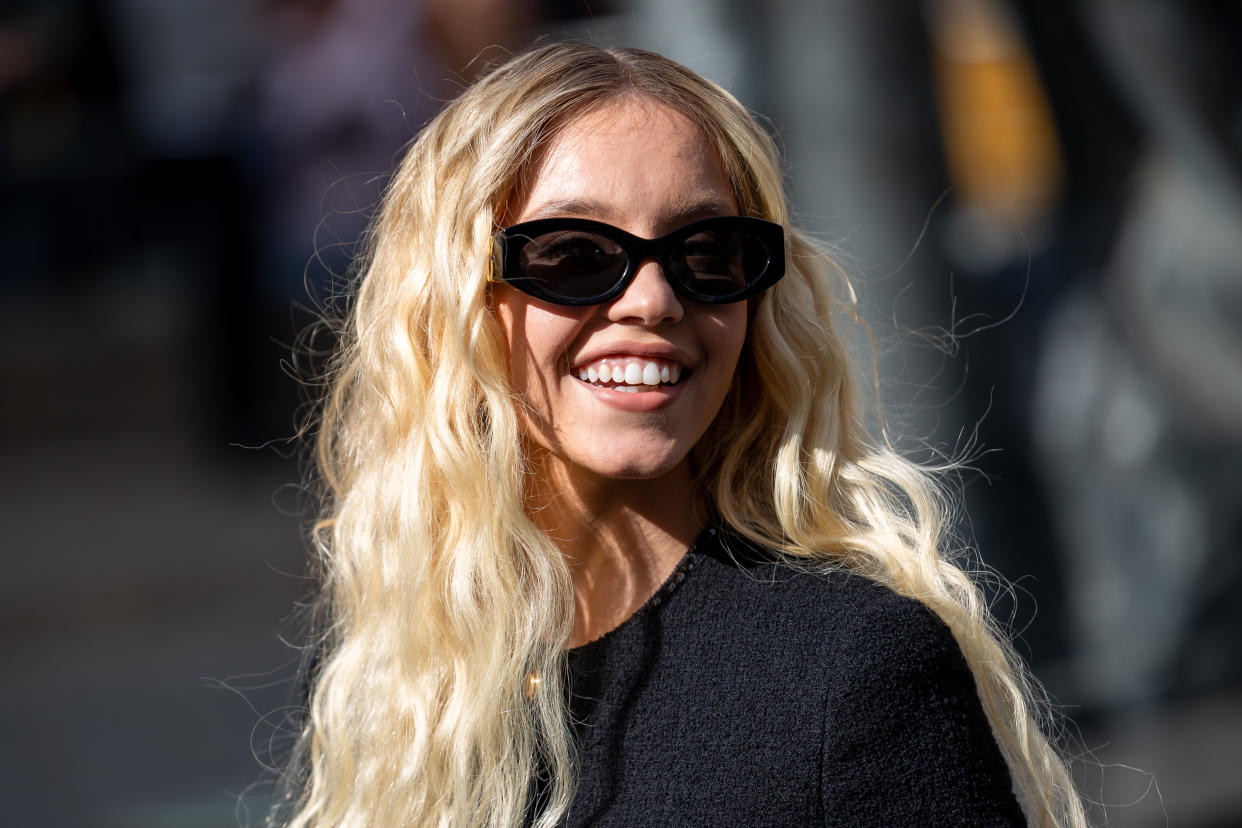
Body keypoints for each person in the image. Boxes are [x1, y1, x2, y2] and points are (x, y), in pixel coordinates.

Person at [272, 43, 1085, 826]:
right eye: (574, 254)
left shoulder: (851, 672)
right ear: (457, 301)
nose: (654, 301)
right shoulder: (392, 678)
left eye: (710, 252)